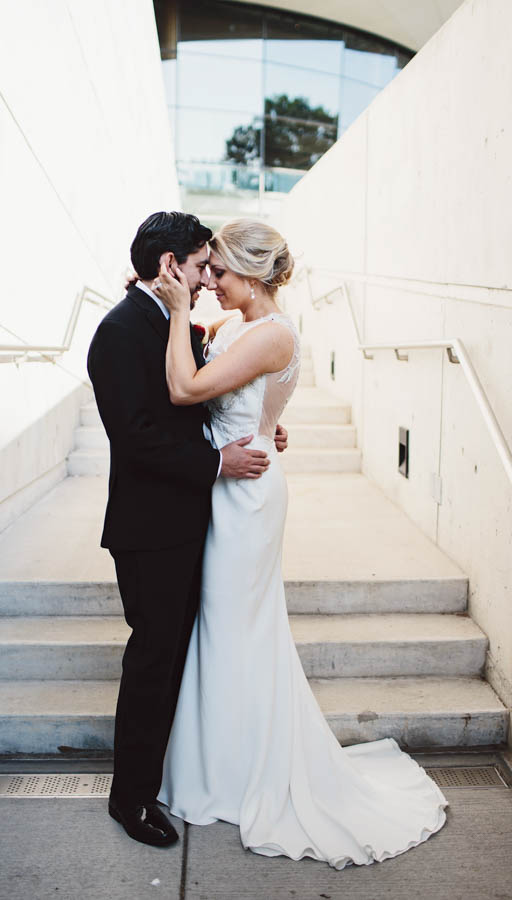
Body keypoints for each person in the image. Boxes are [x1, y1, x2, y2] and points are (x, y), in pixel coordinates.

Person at [153, 217, 449, 869]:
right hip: (233, 478)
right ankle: (223, 762)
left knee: (238, 628)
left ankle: (241, 772)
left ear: (252, 274)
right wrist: (263, 426)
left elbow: (185, 389)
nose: (210, 284)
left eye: (220, 273)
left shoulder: (274, 333)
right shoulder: (241, 329)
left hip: (247, 494)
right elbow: (243, 408)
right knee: (227, 627)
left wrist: (178, 313)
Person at [86, 211, 288, 848]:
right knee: (154, 658)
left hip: (192, 518)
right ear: (171, 266)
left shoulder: (165, 320)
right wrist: (218, 461)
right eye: (202, 265)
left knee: (175, 655)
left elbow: (209, 396)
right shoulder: (118, 332)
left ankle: (177, 773)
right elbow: (137, 440)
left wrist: (256, 427)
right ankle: (132, 799)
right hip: (151, 528)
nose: (208, 279)